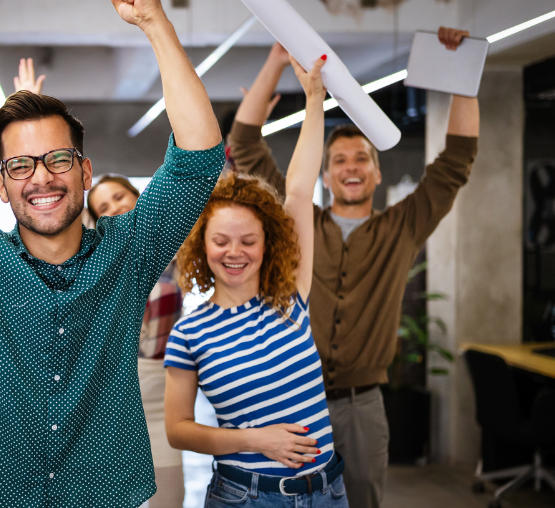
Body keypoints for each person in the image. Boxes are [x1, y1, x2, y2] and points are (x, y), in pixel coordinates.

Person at [0, 0, 224, 504]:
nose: (42, 178)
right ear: (1, 186)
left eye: (57, 159)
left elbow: (199, 160)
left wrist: (154, 22)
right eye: (20, 166)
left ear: (85, 171)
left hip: (105, 492)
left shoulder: (129, 249)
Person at [227, 29, 480, 508]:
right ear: (325, 174)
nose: (350, 166)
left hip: (363, 406)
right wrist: (277, 60)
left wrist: (462, 72)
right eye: (339, 158)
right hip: (291, 401)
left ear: (377, 171)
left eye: (362, 158)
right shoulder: (299, 222)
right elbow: (244, 144)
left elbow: (456, 160)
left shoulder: (402, 227)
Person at [164, 54, 348, 507]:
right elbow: (178, 430)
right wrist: (256, 440)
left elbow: (301, 191)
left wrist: (314, 98)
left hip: (327, 491)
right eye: (221, 241)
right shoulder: (189, 333)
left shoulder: (290, 299)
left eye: (248, 240)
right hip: (246, 496)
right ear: (202, 247)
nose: (234, 252)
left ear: (267, 245)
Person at [88, 174, 186, 508]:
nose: (115, 207)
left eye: (118, 196)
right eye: (103, 206)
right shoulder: (95, 265)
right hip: (108, 401)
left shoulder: (174, 247)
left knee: (169, 499)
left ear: (137, 195)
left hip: (161, 397)